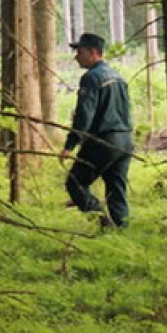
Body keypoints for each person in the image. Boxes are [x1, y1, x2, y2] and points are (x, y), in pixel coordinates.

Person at [60, 33, 134, 228]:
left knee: (75, 182)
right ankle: (122, 229)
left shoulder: (91, 78)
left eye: (80, 52)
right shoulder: (119, 78)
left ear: (93, 52)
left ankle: (103, 219)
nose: (76, 57)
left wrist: (70, 145)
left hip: (104, 140)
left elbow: (84, 115)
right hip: (126, 140)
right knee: (116, 188)